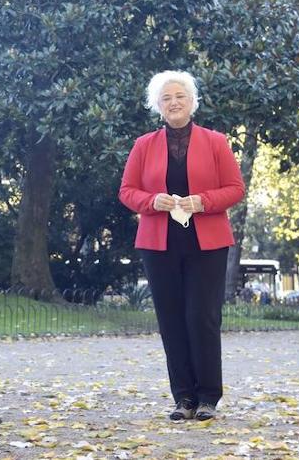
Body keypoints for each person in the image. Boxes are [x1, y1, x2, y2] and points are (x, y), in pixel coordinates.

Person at [119, 70, 245, 421]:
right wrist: (151, 201)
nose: (174, 103)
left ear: (192, 101)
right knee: (171, 319)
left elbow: (235, 188)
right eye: (166, 98)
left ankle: (208, 397)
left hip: (207, 241)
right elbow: (127, 191)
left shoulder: (216, 141)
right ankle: (184, 398)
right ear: (157, 105)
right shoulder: (143, 145)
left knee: (201, 317)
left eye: (180, 96)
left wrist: (202, 201)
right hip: (158, 243)